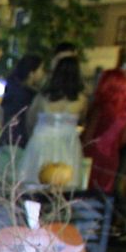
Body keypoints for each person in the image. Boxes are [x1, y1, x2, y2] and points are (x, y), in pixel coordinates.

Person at [81, 49, 126, 194]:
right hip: (110, 156)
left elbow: (88, 131)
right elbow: (123, 138)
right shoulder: (123, 112)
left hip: (89, 152)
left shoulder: (98, 108)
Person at [16, 49, 85, 187]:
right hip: (68, 144)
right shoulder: (81, 100)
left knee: (35, 184)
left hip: (41, 142)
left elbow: (30, 121)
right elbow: (83, 120)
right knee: (66, 186)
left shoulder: (42, 98)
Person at [0, 54, 43, 181]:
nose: (42, 74)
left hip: (6, 141)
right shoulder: (29, 95)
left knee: (3, 184)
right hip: (21, 143)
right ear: (31, 73)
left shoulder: (11, 89)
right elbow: (29, 121)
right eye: (41, 69)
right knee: (17, 185)